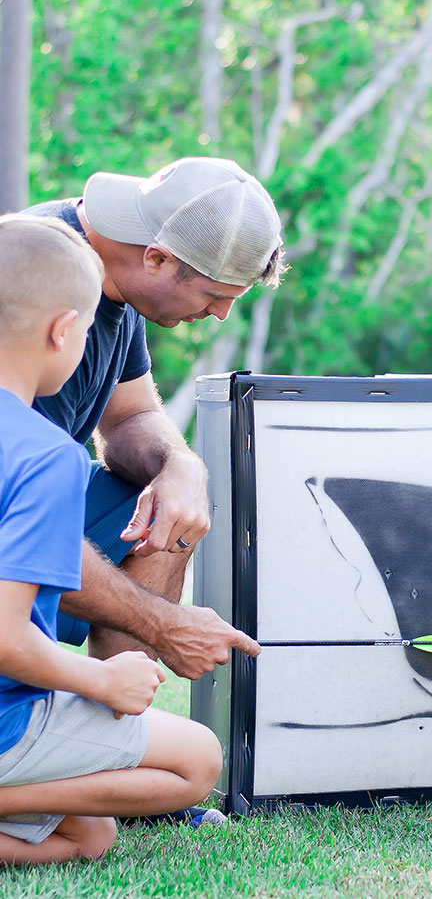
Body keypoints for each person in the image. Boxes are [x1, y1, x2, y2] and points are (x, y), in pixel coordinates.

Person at [0, 215, 223, 864]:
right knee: (198, 761)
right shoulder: (44, 457)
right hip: (10, 713)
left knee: (89, 836)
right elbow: (8, 639)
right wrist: (102, 683)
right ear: (64, 332)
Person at [21, 157, 285, 685]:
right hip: (16, 521)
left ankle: (116, 717)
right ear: (158, 259)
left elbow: (129, 417)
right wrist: (167, 625)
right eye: (213, 296)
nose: (219, 316)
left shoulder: (119, 275)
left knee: (170, 506)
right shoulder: (41, 279)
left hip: (31, 506)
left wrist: (179, 464)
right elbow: (21, 523)